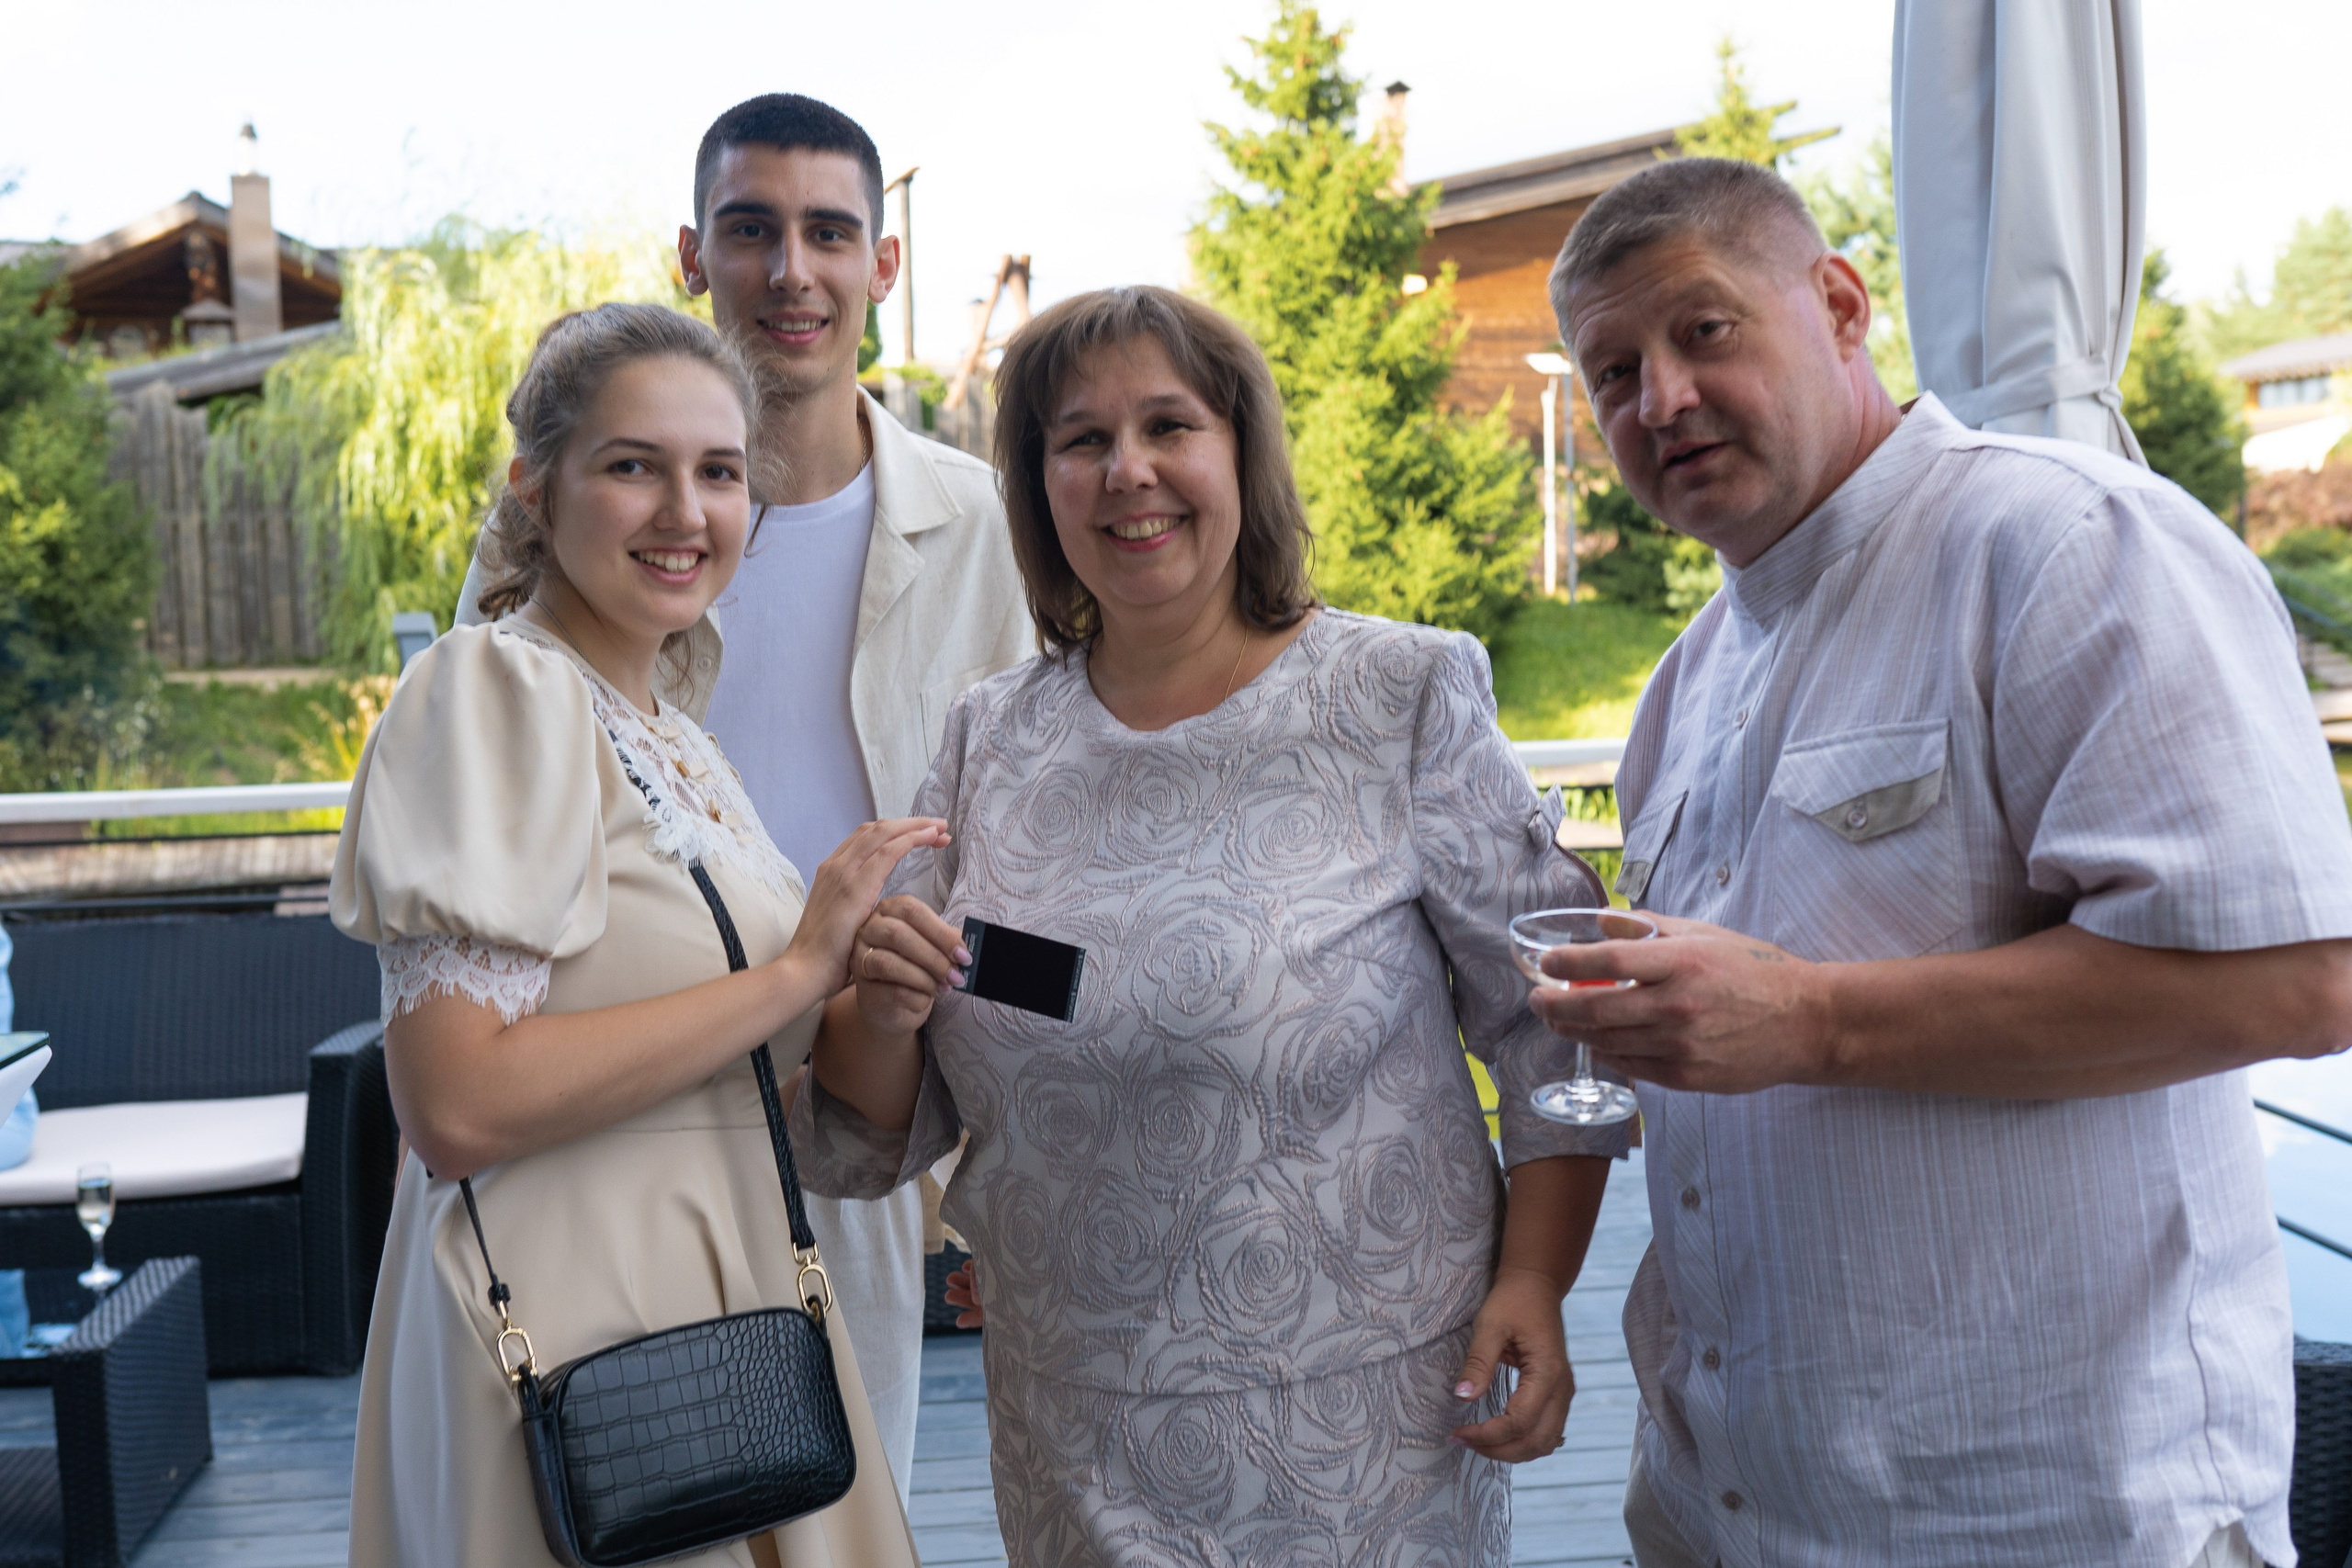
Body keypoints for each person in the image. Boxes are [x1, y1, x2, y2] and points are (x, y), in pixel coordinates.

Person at [1532, 155, 2352, 1568]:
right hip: (1725, 1504)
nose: (1657, 399)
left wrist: (1813, 1020)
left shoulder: (2065, 543)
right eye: (1611, 372)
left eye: (1704, 331)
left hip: (2047, 1515)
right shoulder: (1688, 676)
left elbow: (2298, 980)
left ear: (1840, 305)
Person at [793, 285, 1622, 1565]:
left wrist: (1536, 1282)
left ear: (1242, 453)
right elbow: (868, 1121)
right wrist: (882, 1009)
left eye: (1169, 426)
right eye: (1080, 441)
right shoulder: (988, 740)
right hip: (1068, 1422)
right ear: (1038, 486)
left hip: (1368, 1427)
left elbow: (1554, 1019)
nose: (1129, 473)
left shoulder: (1394, 694)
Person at [456, 93, 1032, 1501]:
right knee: (606, 1495)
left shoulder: (992, 527)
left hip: (863, 1095)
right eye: (752, 230)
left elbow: (1043, 839)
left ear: (883, 268)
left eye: (832, 232)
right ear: (690, 254)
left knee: (848, 1495)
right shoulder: (582, 524)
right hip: (607, 1102)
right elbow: (490, 782)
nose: (793, 270)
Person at [336, 303, 937, 1567]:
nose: (685, 511)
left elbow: (757, 1065)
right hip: (565, 1332)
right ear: (535, 488)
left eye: (718, 472)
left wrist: (866, 996)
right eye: (632, 467)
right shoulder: (494, 688)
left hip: (732, 1310)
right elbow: (453, 1101)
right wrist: (794, 970)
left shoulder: (673, 730)